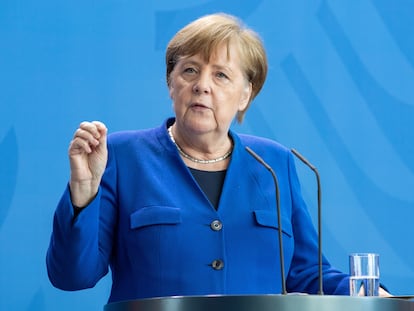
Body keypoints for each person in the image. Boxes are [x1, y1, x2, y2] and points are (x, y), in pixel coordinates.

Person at [46, 13, 387, 304]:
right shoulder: (120, 156)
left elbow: (305, 272)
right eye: (190, 71)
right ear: (171, 83)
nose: (202, 86)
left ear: (245, 94)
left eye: (221, 75)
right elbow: (71, 276)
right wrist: (83, 193)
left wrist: (377, 298)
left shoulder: (274, 163)